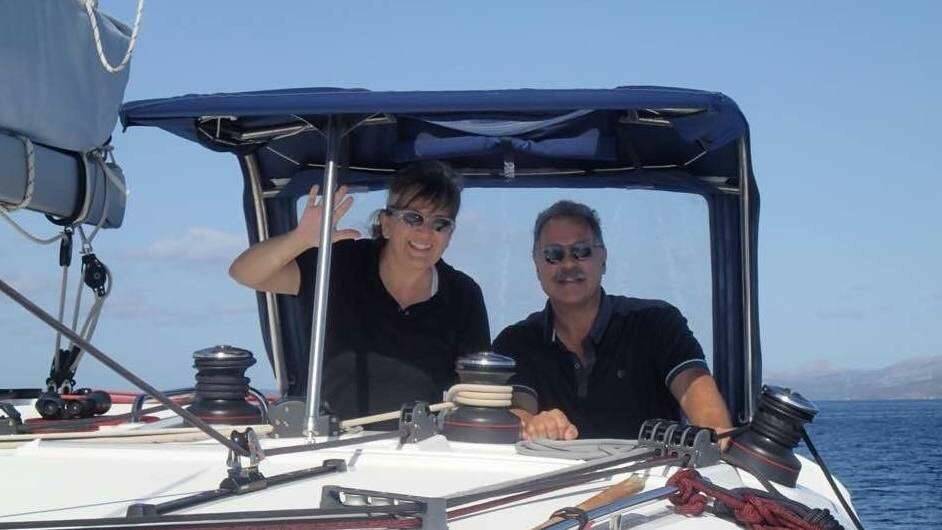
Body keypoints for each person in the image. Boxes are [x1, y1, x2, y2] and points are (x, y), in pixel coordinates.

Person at [229, 161, 490, 420]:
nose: (425, 233)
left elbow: (478, 387)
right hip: (329, 438)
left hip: (425, 443)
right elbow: (245, 273)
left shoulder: (463, 295)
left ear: (450, 235)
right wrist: (300, 239)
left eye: (440, 224)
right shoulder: (338, 264)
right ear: (386, 224)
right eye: (413, 218)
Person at [493, 200, 731, 441]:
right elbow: (516, 410)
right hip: (548, 467)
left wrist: (714, 435)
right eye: (553, 254)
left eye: (581, 251)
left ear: (603, 259)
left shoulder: (658, 324)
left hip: (657, 467)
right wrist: (533, 423)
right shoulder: (515, 343)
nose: (568, 264)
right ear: (537, 266)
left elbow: (698, 396)